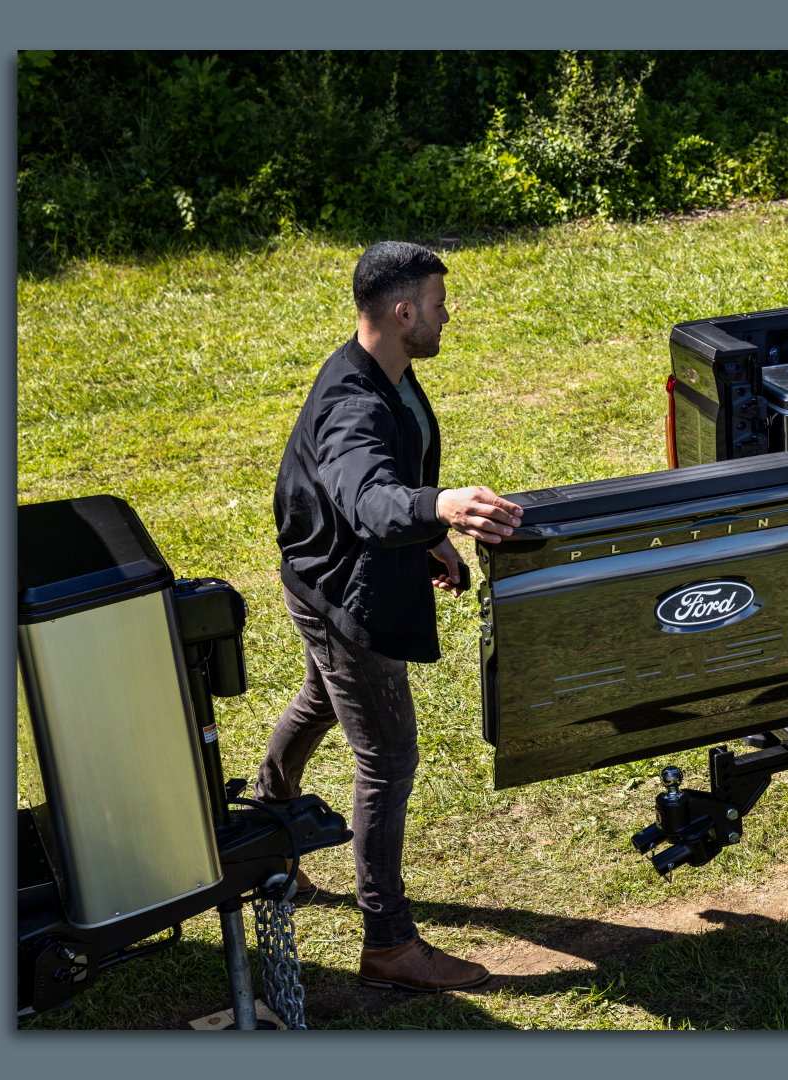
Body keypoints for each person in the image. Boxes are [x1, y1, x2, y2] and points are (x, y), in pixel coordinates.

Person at [260, 241, 525, 992]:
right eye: (440, 304)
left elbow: (390, 489)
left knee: (320, 700)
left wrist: (429, 535)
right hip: (344, 595)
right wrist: (436, 508)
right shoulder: (353, 402)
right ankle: (388, 941)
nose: (448, 316)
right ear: (404, 311)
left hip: (325, 575)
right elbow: (368, 497)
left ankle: (264, 825)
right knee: (387, 759)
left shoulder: (386, 371)